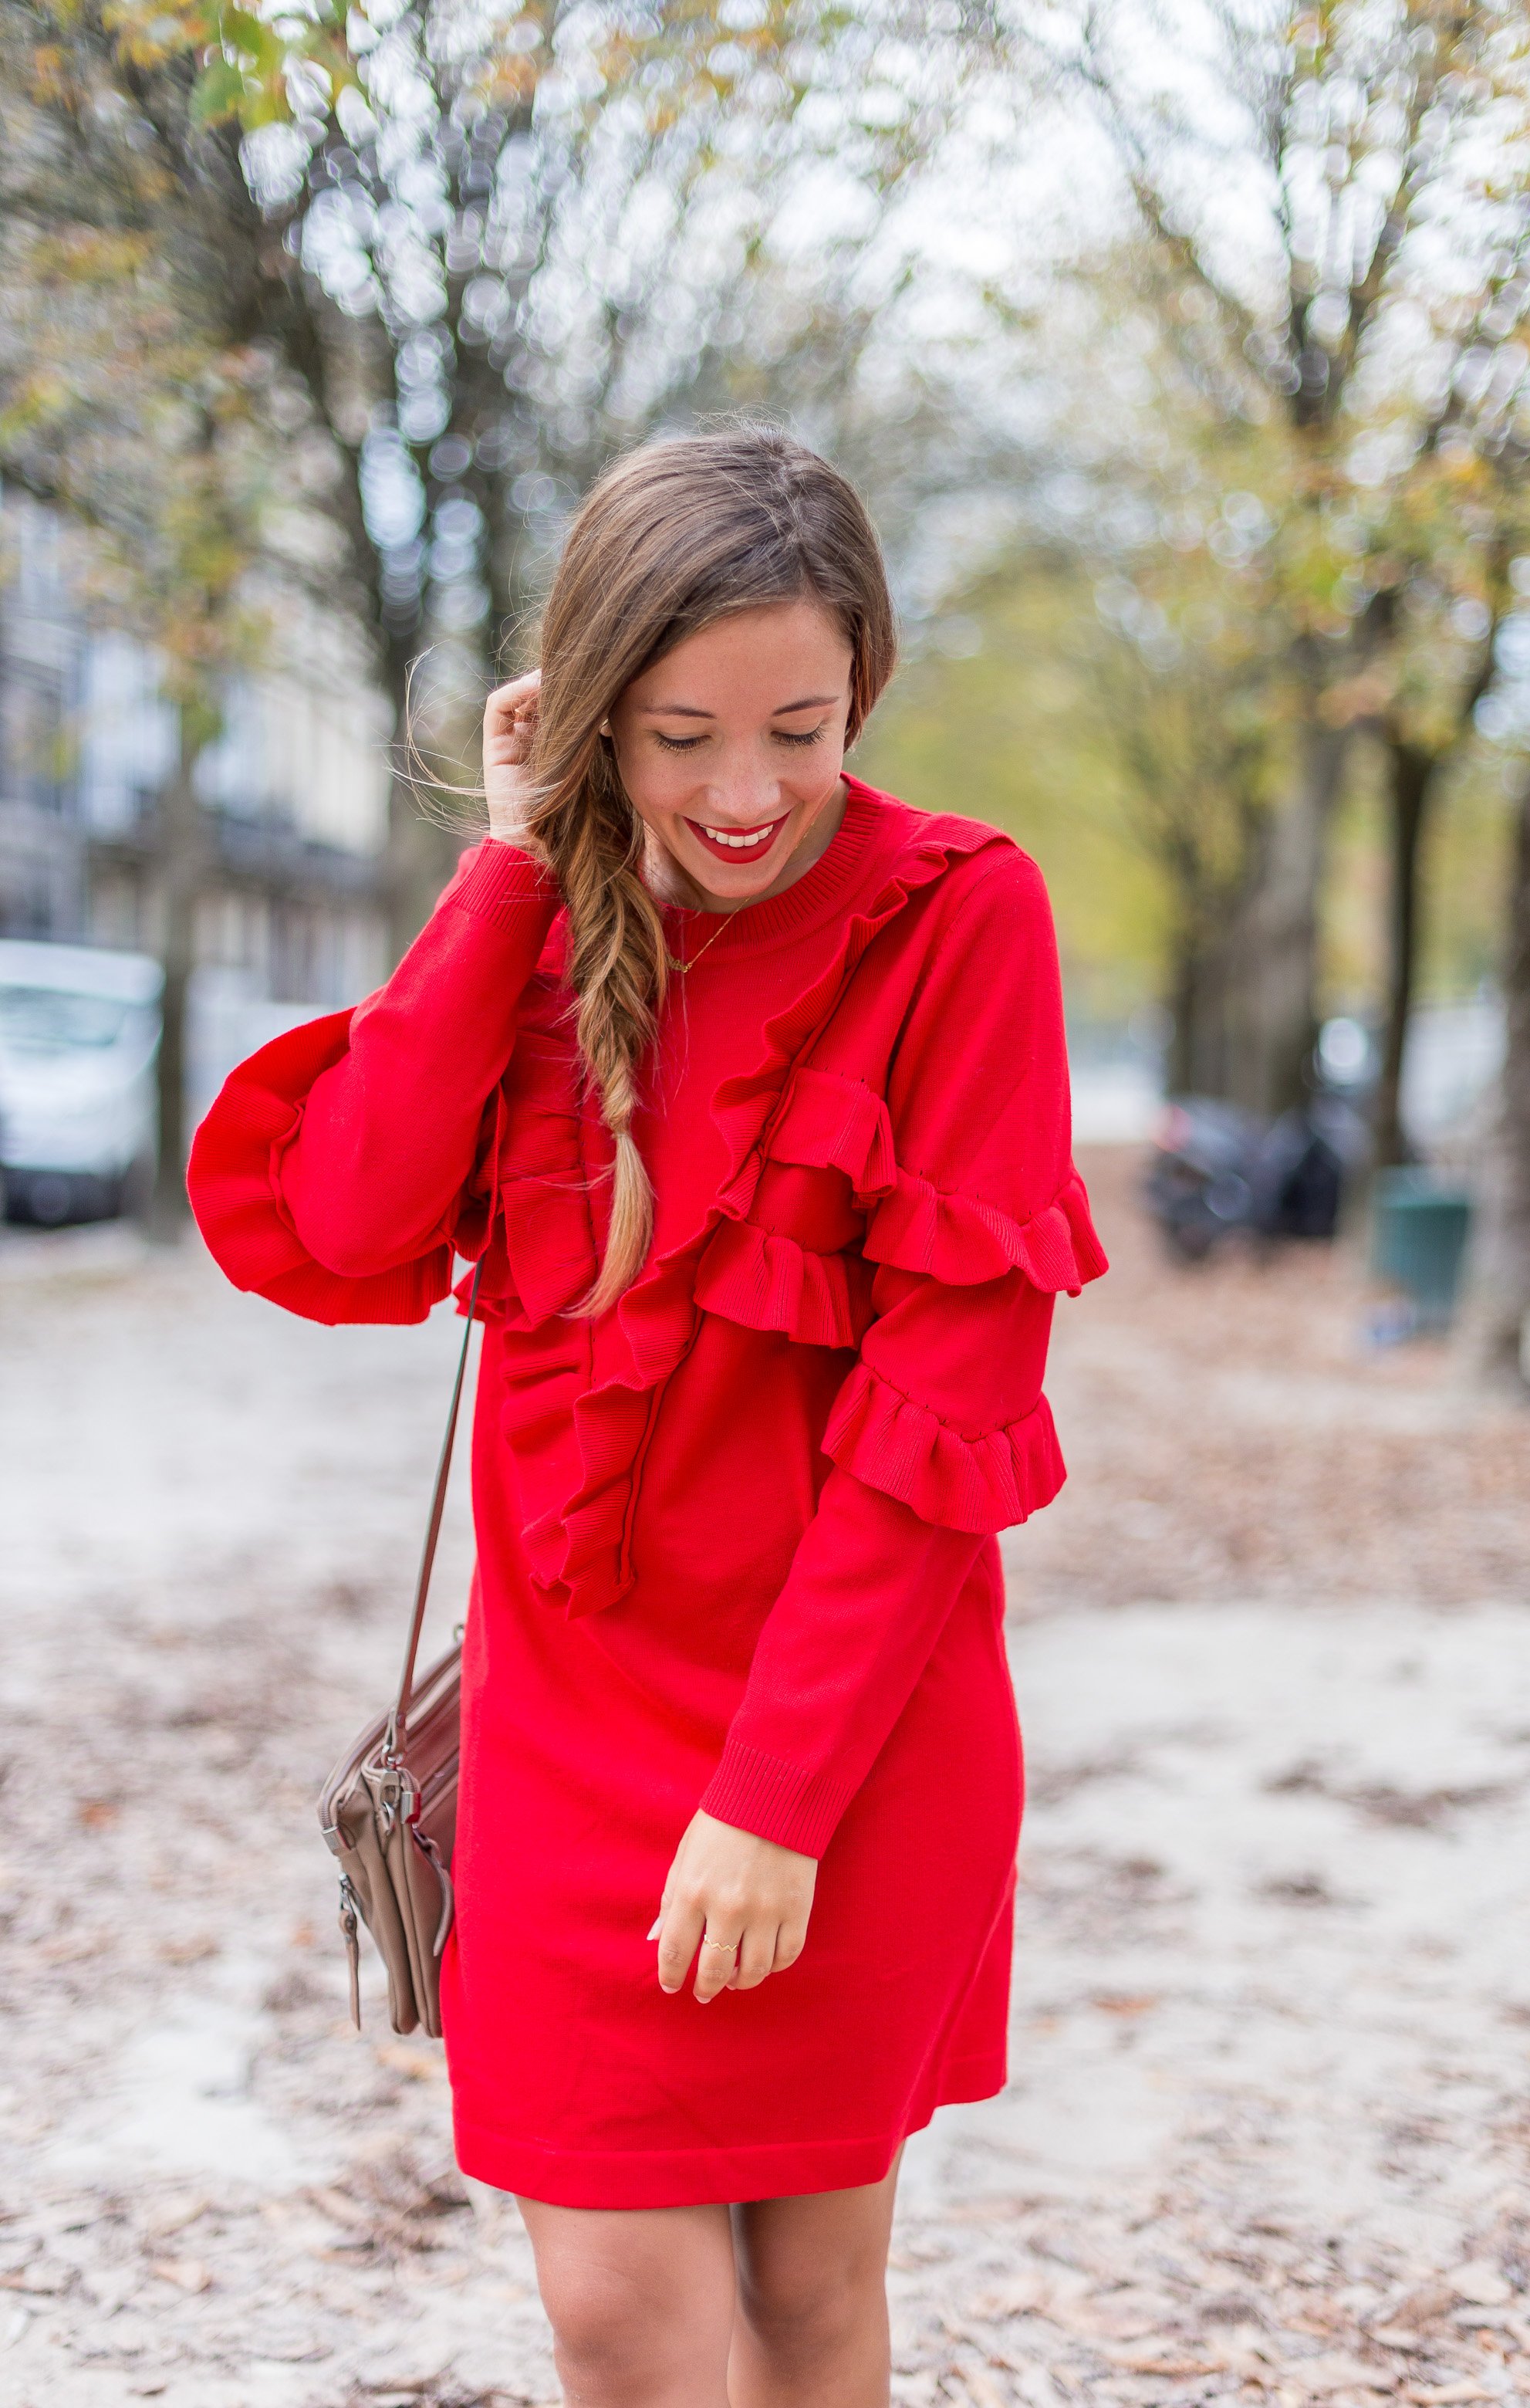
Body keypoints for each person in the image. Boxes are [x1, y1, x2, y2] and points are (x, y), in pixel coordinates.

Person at [188, 428, 1106, 2408]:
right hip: (566, 1743)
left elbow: (943, 1407)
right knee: (620, 2322)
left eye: (801, 723)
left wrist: (777, 1804)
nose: (748, 791)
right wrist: (510, 860)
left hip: (843, 1742)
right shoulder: (529, 921)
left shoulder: (959, 916)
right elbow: (340, 1219)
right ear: (590, 713)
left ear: (866, 679)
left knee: (807, 2301)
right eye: (680, 733)